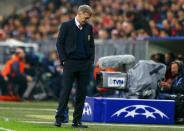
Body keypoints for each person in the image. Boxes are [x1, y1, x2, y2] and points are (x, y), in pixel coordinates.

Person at [55, 5, 94, 128]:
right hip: (70, 63)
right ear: (80, 13)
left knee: (82, 93)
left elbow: (92, 45)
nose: (86, 20)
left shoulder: (89, 27)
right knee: (65, 91)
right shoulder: (66, 25)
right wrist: (64, 60)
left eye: (88, 19)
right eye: (85, 17)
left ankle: (77, 121)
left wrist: (90, 61)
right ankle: (59, 118)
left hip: (84, 64)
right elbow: (59, 43)